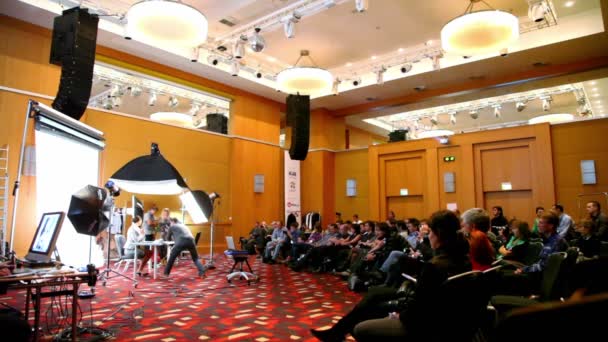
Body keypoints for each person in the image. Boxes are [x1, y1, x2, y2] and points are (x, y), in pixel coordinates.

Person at [311, 210, 471, 341]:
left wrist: (398, 315)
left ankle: (340, 331)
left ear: (438, 234)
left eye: (430, 232)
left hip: (424, 322)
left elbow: (417, 308)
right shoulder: (462, 257)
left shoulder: (435, 266)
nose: (429, 236)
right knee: (374, 295)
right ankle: (337, 332)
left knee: (368, 310)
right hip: (445, 317)